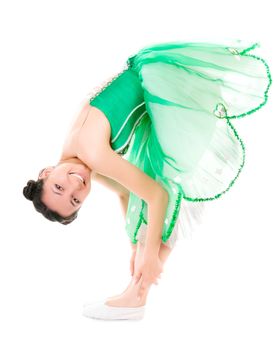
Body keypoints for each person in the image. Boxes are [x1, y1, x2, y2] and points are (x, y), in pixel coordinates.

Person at [23, 40, 272, 321]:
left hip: (174, 90)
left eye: (59, 187)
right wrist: (135, 247)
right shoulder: (77, 151)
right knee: (153, 207)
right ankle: (135, 293)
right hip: (166, 86)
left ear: (45, 172)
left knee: (169, 195)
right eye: (75, 200)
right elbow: (124, 194)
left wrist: (150, 254)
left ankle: (137, 296)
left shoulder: (92, 152)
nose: (76, 186)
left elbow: (156, 196)